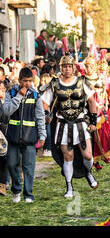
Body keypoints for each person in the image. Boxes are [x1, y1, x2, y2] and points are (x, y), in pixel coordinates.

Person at [41, 53, 99, 198]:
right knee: (68, 157)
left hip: (80, 124)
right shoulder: (54, 83)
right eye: (64, 67)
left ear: (73, 67)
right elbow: (44, 103)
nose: (67, 69)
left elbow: (91, 101)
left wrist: (93, 121)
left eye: (69, 66)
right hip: (63, 125)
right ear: (61, 68)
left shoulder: (82, 82)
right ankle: (69, 186)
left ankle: (88, 172)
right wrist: (47, 114)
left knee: (88, 155)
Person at [3, 67, 46, 203]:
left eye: (30, 81)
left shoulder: (35, 95)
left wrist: (43, 135)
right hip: (13, 136)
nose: (27, 84)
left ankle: (28, 195)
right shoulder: (12, 92)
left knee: (29, 167)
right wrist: (19, 96)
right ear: (19, 80)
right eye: (25, 81)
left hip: (30, 137)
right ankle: (16, 189)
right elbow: (6, 112)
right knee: (11, 164)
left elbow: (40, 116)